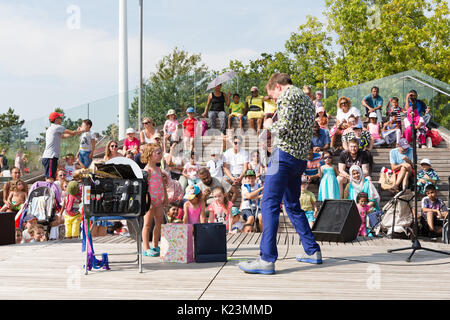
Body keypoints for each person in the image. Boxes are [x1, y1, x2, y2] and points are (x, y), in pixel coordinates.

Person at [238, 73, 322, 275]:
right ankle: (312, 251)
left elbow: (283, 127)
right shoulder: (308, 101)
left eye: (272, 95)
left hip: (283, 157)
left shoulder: (286, 95)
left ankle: (266, 259)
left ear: (277, 86)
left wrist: (268, 125)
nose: (274, 100)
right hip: (299, 159)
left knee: (269, 204)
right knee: (293, 205)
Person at [141, 143, 168, 257]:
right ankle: (146, 248)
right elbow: (144, 187)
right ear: (149, 155)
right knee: (147, 225)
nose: (160, 155)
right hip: (149, 201)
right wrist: (148, 200)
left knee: (159, 223)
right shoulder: (147, 171)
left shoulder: (158, 169)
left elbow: (163, 184)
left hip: (159, 200)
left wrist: (165, 197)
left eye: (160, 153)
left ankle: (155, 245)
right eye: (158, 153)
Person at [42, 112, 84, 182]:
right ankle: (49, 192)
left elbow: (63, 136)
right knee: (50, 178)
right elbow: (72, 133)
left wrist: (76, 132)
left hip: (47, 157)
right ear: (56, 119)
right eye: (60, 118)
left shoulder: (50, 129)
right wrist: (82, 130)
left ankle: (48, 191)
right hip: (51, 157)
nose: (61, 119)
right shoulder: (58, 127)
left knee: (48, 177)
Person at [222, 135, 249, 203]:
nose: (237, 144)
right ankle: (229, 205)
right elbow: (226, 168)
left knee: (245, 182)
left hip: (241, 175)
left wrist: (240, 178)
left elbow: (245, 168)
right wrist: (232, 178)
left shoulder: (245, 153)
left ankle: (233, 206)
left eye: (239, 143)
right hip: (231, 175)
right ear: (232, 143)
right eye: (235, 143)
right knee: (224, 182)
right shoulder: (227, 153)